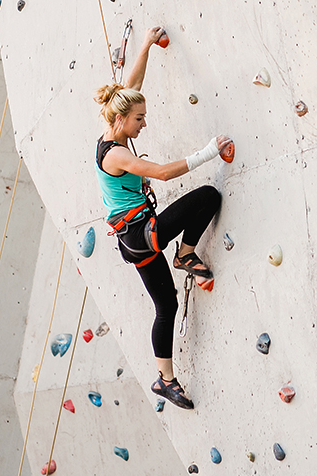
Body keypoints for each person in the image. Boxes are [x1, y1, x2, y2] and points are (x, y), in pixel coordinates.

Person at [93, 26, 231, 409]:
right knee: (207, 196)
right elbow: (163, 174)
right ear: (122, 121)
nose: (144, 124)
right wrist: (208, 152)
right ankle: (185, 254)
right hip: (142, 233)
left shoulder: (113, 124)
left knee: (166, 305)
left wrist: (145, 46)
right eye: (140, 119)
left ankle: (164, 381)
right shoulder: (116, 155)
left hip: (134, 241)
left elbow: (132, 84)